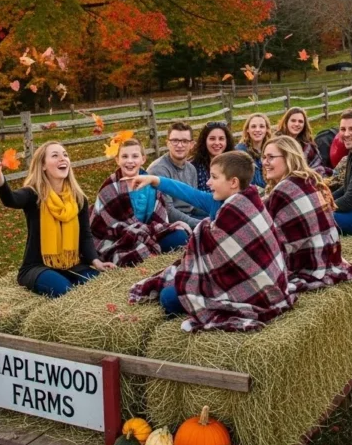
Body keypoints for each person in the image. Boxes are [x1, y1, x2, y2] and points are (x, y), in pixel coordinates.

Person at [129, 151, 292, 331]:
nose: (208, 182)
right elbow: (187, 192)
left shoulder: (247, 210)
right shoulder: (219, 201)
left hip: (246, 284)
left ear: (233, 182)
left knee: (168, 298)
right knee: (171, 287)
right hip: (225, 274)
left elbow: (242, 260)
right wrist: (154, 180)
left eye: (214, 177)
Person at [0, 141, 113, 296]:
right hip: (37, 267)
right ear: (43, 166)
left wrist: (96, 262)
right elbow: (11, 199)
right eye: (55, 155)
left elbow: (85, 236)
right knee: (67, 292)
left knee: (101, 287)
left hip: (72, 265)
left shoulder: (78, 199)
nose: (62, 158)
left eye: (65, 155)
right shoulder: (33, 194)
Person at [261, 136, 352, 292]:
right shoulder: (307, 179)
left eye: (271, 157)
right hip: (326, 257)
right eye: (264, 157)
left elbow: (274, 241)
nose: (265, 162)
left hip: (311, 263)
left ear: (288, 158)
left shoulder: (285, 189)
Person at [90, 137, 189, 266]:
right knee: (130, 257)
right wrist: (136, 232)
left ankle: (148, 252)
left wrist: (147, 232)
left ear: (143, 159)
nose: (130, 161)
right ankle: (144, 254)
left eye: (135, 156)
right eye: (124, 156)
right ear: (117, 160)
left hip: (149, 233)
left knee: (180, 237)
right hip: (121, 239)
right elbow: (102, 226)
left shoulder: (152, 183)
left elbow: (159, 219)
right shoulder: (110, 188)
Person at [148, 122, 203, 228]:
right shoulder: (158, 170)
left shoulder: (191, 169)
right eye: (175, 140)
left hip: (189, 216)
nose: (180, 145)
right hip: (167, 223)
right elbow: (168, 211)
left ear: (191, 145)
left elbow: (194, 204)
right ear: (167, 143)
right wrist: (199, 224)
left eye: (184, 141)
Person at [275, 106, 326, 173]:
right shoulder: (276, 142)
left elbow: (316, 165)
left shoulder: (308, 146)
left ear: (304, 124)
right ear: (286, 122)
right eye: (293, 121)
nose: (297, 124)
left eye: (300, 121)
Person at [191, 121, 234, 190]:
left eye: (221, 139)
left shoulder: (235, 165)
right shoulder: (193, 167)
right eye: (212, 139)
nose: (217, 143)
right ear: (205, 141)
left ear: (227, 141)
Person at [235, 112, 272, 188]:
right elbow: (253, 182)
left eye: (261, 126)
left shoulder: (270, 149)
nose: (257, 130)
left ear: (267, 129)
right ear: (247, 129)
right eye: (253, 126)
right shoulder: (240, 151)